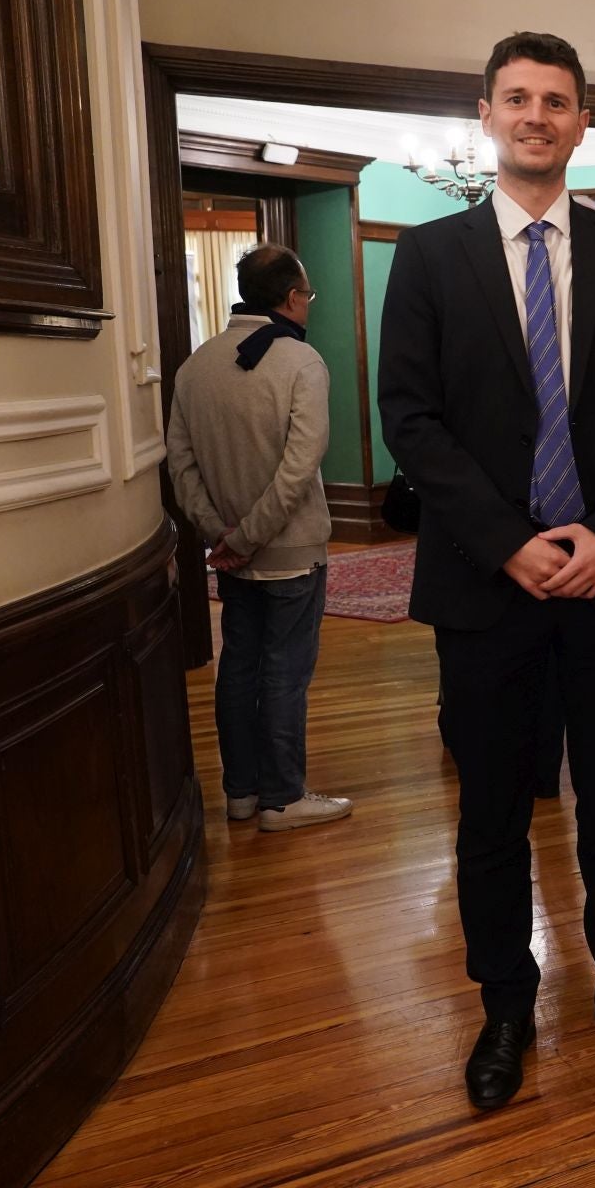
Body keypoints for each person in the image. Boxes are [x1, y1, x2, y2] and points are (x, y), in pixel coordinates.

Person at [377, 30, 595, 1111]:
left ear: (581, 123)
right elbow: (410, 419)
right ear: (485, 115)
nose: (536, 116)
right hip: (486, 587)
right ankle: (506, 1004)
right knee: (493, 816)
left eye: (556, 101)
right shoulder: (429, 257)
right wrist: (508, 540)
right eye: (517, 98)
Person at [166, 244, 353, 834]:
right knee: (284, 674)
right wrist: (248, 536)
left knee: (238, 670)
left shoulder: (195, 366)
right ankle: (282, 798)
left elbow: (180, 464)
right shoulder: (301, 362)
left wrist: (220, 534)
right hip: (289, 553)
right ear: (293, 297)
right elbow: (300, 469)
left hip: (228, 554)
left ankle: (241, 793)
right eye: (309, 295)